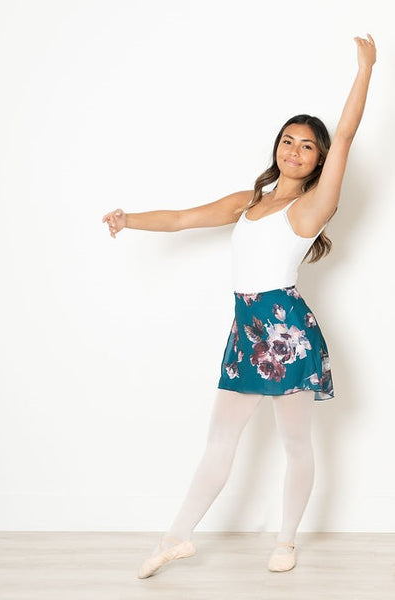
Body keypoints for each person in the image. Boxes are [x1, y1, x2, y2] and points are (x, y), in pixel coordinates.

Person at [102, 34, 376, 577]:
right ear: (276, 146)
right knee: (219, 439)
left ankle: (287, 541)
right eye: (288, 141)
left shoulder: (313, 205)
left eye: (307, 146)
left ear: (319, 160)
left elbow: (345, 135)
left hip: (285, 330)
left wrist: (364, 69)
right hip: (245, 330)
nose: (295, 151)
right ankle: (176, 537)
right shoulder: (250, 202)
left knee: (295, 442)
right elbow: (182, 218)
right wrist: (129, 218)